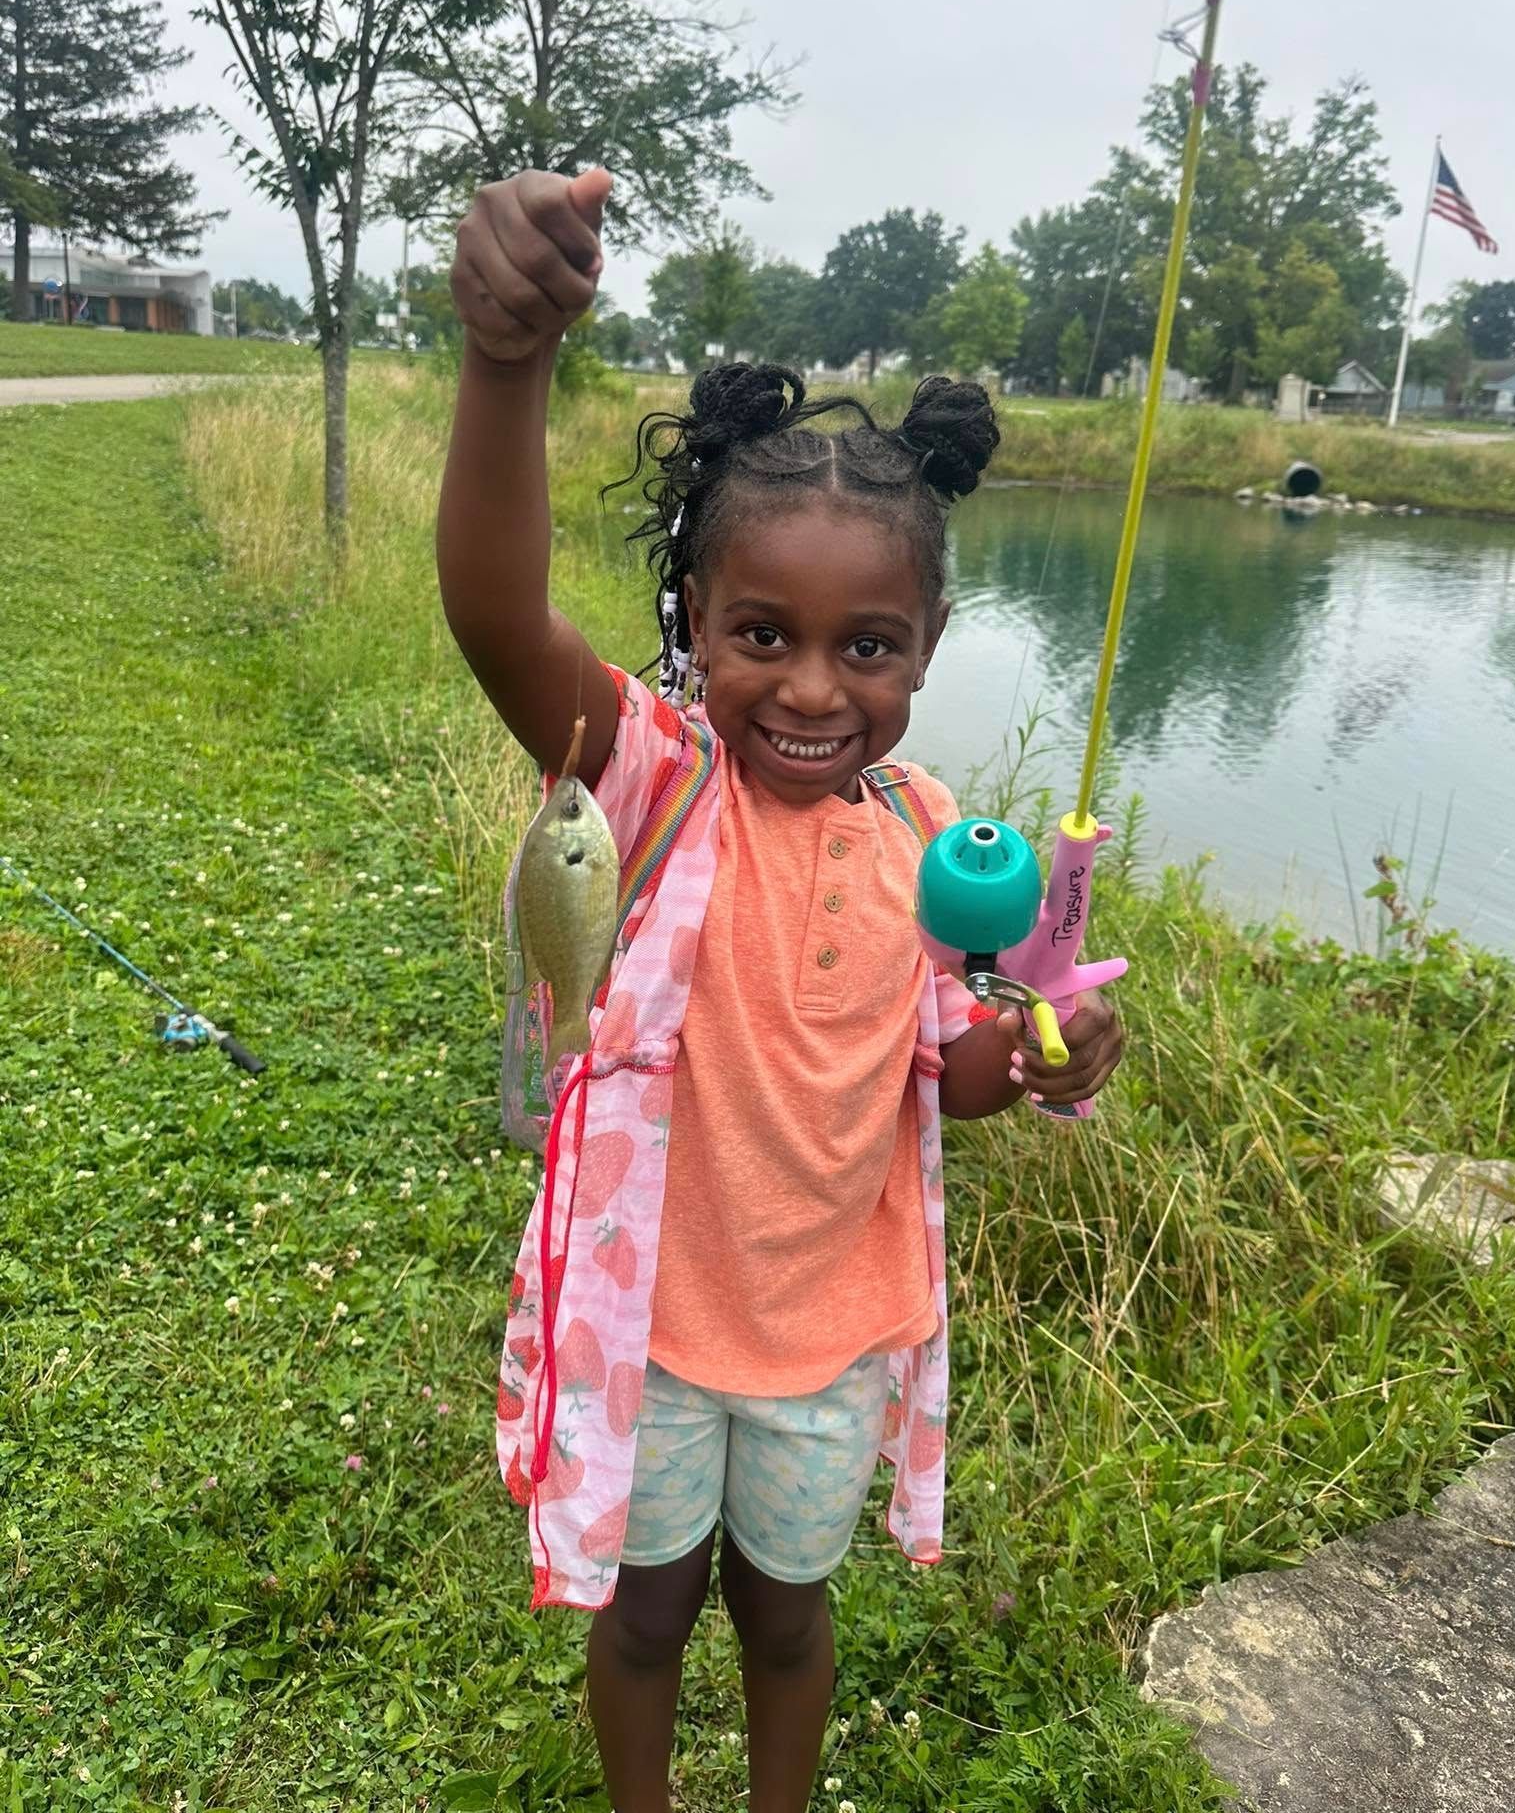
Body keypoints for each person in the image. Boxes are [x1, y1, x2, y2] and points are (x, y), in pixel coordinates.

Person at [439, 168, 1124, 1813]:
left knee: (790, 1617)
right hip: (659, 1331)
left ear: (930, 643)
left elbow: (942, 1071)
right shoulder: (654, 774)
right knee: (648, 1614)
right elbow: (489, 611)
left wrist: (1038, 1058)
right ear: (689, 625)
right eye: (762, 632)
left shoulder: (928, 833)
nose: (814, 688)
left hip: (830, 1338)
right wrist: (506, 365)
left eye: (868, 646)